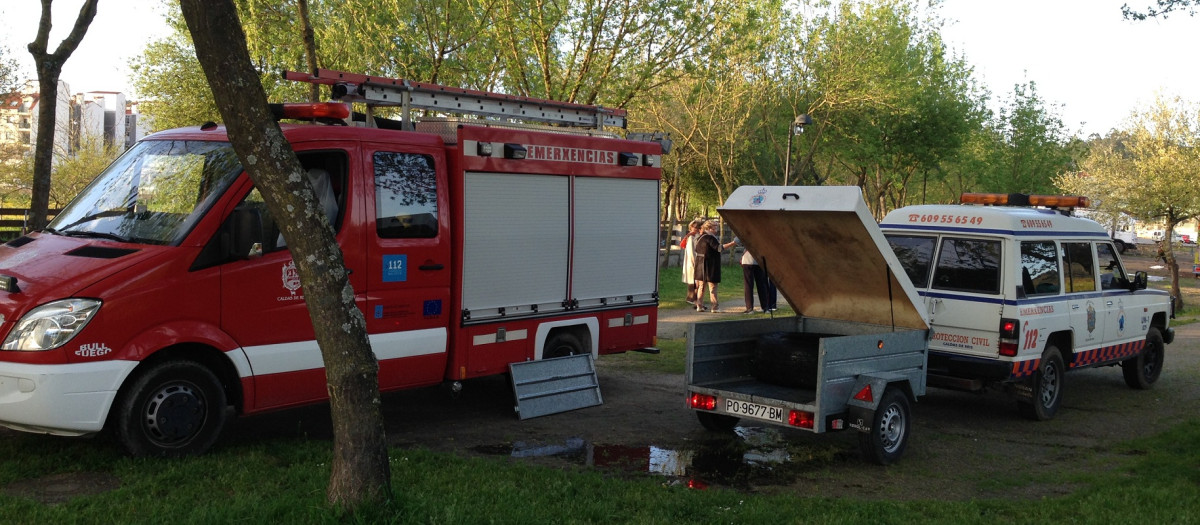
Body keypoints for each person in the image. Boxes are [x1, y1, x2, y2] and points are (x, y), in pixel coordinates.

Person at [694, 220, 736, 312]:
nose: (716, 229)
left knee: (701, 286)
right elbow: (719, 248)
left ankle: (699, 305)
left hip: (700, 265)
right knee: (712, 287)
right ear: (709, 228)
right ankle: (715, 307)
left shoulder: (699, 238)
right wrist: (732, 243)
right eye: (715, 227)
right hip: (710, 265)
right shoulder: (710, 238)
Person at [739, 246, 776, 313]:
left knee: (748, 285)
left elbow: (737, 240)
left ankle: (749, 308)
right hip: (759, 259)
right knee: (761, 285)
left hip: (748, 259)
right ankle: (765, 307)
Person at [680, 219, 704, 307]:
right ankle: (691, 298)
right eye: (695, 227)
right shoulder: (691, 237)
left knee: (695, 280)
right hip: (692, 261)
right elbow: (691, 252)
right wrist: (695, 263)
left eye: (698, 227)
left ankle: (694, 297)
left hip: (695, 261)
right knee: (692, 280)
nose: (696, 229)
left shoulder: (697, 236)